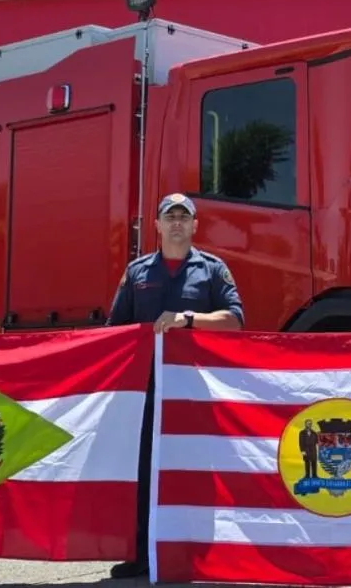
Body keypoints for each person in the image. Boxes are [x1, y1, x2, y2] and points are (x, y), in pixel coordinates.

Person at [106, 192, 244, 579]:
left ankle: (195, 552)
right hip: (147, 388)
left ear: (195, 225)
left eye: (185, 217)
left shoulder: (213, 270)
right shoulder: (137, 273)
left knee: (193, 468)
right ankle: (141, 553)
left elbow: (234, 320)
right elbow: (115, 330)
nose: (178, 223)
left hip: (194, 389)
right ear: (158, 225)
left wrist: (188, 318)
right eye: (171, 217)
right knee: (145, 469)